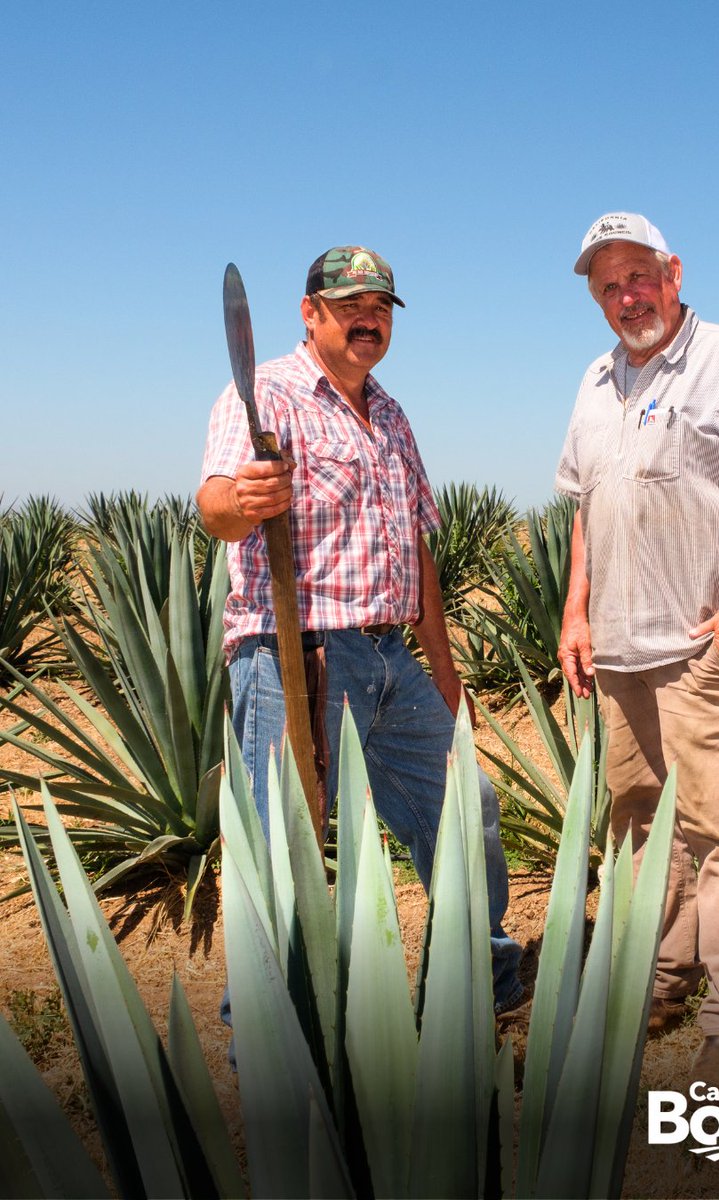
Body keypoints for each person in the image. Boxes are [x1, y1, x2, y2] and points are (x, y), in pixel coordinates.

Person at [198, 245, 523, 1015]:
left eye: (379, 307)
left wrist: (443, 672)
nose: (367, 319)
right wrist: (246, 497)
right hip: (294, 658)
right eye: (349, 307)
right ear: (311, 314)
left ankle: (479, 978)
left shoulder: (391, 413)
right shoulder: (265, 394)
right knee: (289, 846)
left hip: (390, 656)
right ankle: (276, 1037)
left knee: (464, 805)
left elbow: (418, 547)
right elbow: (214, 506)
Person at [555, 213, 719, 1084]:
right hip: (619, 650)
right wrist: (575, 614)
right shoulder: (595, 382)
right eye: (607, 286)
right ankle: (661, 979)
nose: (626, 296)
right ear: (596, 301)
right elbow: (589, 507)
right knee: (638, 825)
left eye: (637, 275)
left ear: (672, 271)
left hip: (705, 644)